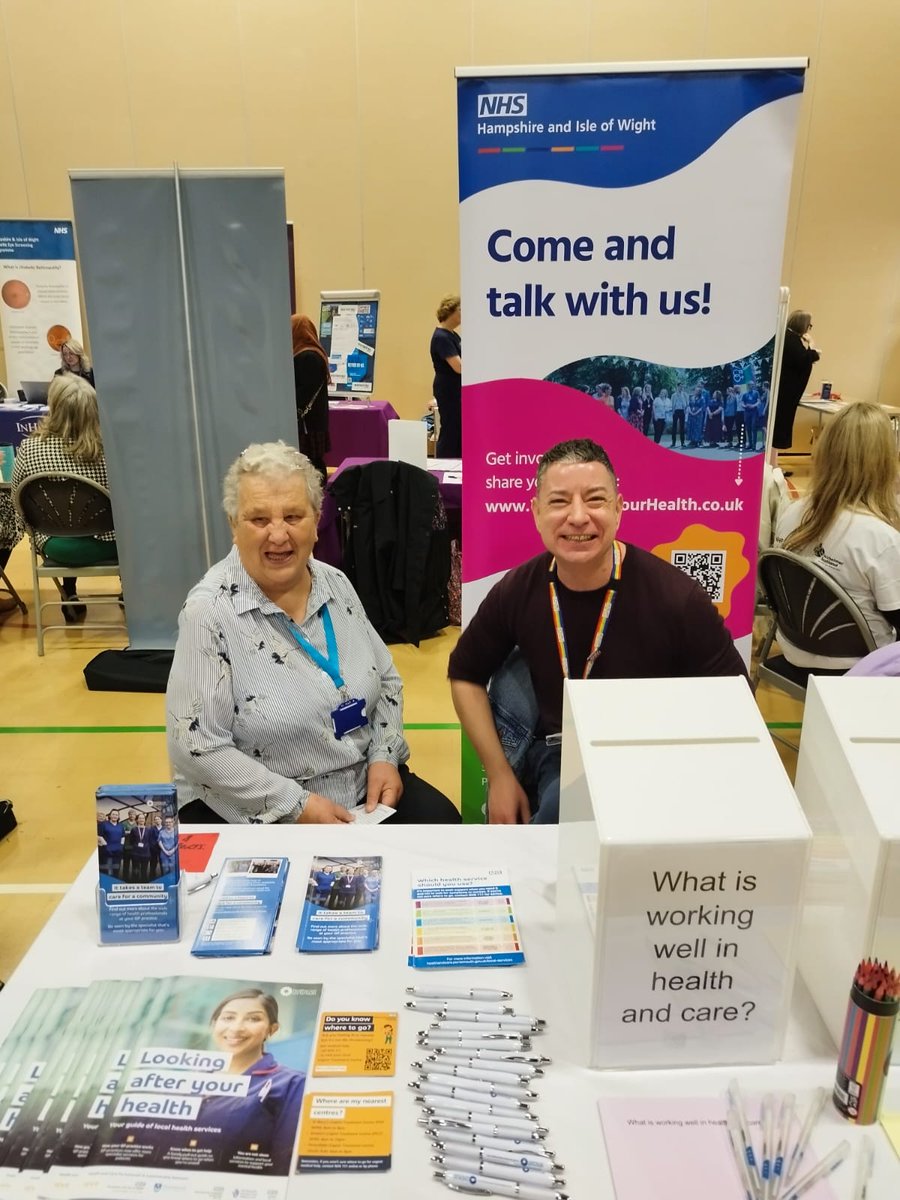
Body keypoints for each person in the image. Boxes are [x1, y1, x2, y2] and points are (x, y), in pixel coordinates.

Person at [448, 438, 747, 824]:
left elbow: (736, 699)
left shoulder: (677, 597)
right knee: (563, 811)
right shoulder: (518, 589)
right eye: (558, 502)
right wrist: (501, 775)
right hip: (562, 754)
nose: (577, 517)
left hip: (653, 753)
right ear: (536, 513)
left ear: (619, 509)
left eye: (595, 500)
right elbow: (464, 674)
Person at [166, 440, 459, 825]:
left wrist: (385, 756)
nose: (278, 534)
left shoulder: (336, 583)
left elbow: (386, 680)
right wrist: (295, 804)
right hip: (257, 808)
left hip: (360, 786)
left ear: (317, 519)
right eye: (259, 519)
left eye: (292, 516)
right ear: (234, 526)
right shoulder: (209, 612)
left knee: (444, 825)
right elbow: (195, 746)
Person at [774, 401, 900, 669]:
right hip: (861, 666)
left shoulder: (793, 513)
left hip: (793, 647)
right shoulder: (882, 540)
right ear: (886, 463)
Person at [11, 374, 117, 622]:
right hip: (108, 546)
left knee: (65, 518)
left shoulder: (29, 449)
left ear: (54, 406)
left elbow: (18, 501)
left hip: (54, 547)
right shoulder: (108, 450)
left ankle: (69, 592)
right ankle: (127, 592)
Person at [199, 989, 307, 1175]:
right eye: (228, 1018)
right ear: (215, 1024)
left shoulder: (292, 1084)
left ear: (272, 1029)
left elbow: (282, 1163)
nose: (236, 1028)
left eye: (253, 1019)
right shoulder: (189, 1079)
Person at [770, 310, 820, 466]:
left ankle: (774, 465)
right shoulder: (791, 340)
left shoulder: (786, 337)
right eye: (809, 325)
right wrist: (812, 346)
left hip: (781, 392)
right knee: (777, 432)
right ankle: (773, 466)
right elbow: (804, 361)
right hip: (784, 394)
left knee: (775, 431)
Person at [290, 314, 330, 485]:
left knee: (312, 463)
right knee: (313, 461)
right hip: (313, 422)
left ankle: (317, 499)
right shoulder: (314, 354)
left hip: (308, 425)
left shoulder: (307, 357)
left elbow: (303, 393)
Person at [430, 294, 462, 457]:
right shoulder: (442, 337)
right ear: (450, 311)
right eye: (460, 310)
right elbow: (458, 367)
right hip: (448, 389)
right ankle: (444, 464)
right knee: (450, 428)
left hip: (456, 389)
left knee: (458, 428)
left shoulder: (453, 335)